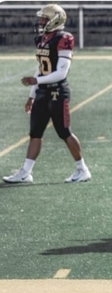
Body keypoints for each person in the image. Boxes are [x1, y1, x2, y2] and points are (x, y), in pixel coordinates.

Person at [3, 3, 91, 184]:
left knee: (64, 132)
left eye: (44, 18)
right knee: (35, 133)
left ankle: (82, 170)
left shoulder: (64, 38)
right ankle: (26, 172)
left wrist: (37, 82)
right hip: (42, 93)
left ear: (55, 20)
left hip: (58, 92)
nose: (40, 21)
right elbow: (39, 69)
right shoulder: (41, 38)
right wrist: (31, 95)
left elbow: (61, 72)